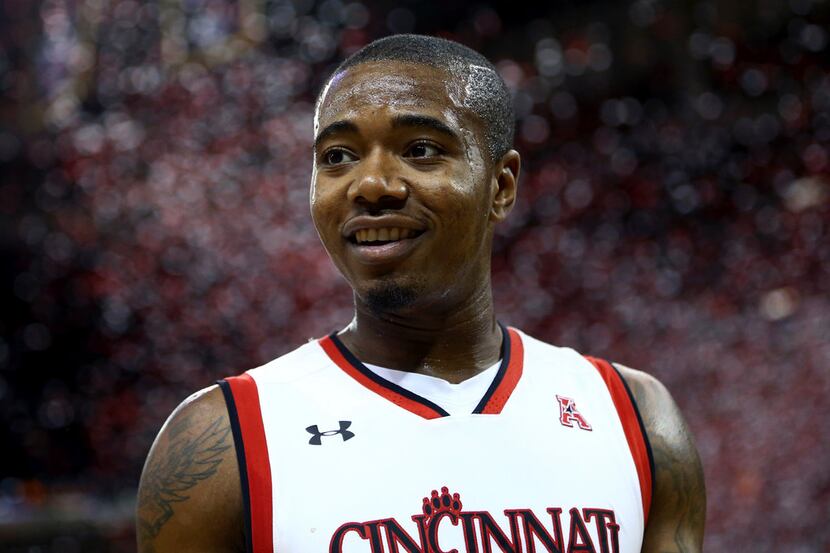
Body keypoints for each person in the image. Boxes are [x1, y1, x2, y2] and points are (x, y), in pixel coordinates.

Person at [136, 34, 705, 553]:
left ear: (501, 187)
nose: (372, 185)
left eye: (421, 149)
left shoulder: (636, 418)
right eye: (337, 157)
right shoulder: (220, 442)